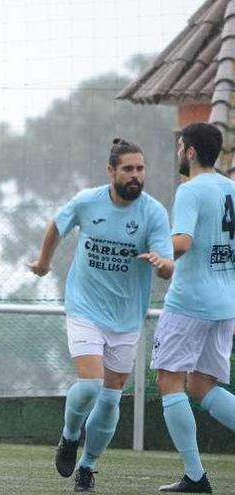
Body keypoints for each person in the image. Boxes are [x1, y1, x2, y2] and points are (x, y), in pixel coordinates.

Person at [28, 138, 174, 492]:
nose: (136, 175)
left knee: (110, 397)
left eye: (140, 168)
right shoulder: (87, 201)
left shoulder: (153, 212)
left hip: (126, 317)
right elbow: (55, 226)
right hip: (84, 308)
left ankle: (87, 467)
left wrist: (162, 265)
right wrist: (44, 264)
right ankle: (68, 436)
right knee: (90, 384)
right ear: (112, 172)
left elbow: (168, 266)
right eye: (128, 169)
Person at [153, 122, 235, 493]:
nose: (177, 153)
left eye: (179, 146)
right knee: (201, 386)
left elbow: (182, 242)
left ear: (189, 151)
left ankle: (196, 477)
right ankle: (195, 477)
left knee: (169, 380)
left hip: (190, 302)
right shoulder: (231, 189)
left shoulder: (190, 190)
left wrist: (161, 257)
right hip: (225, 303)